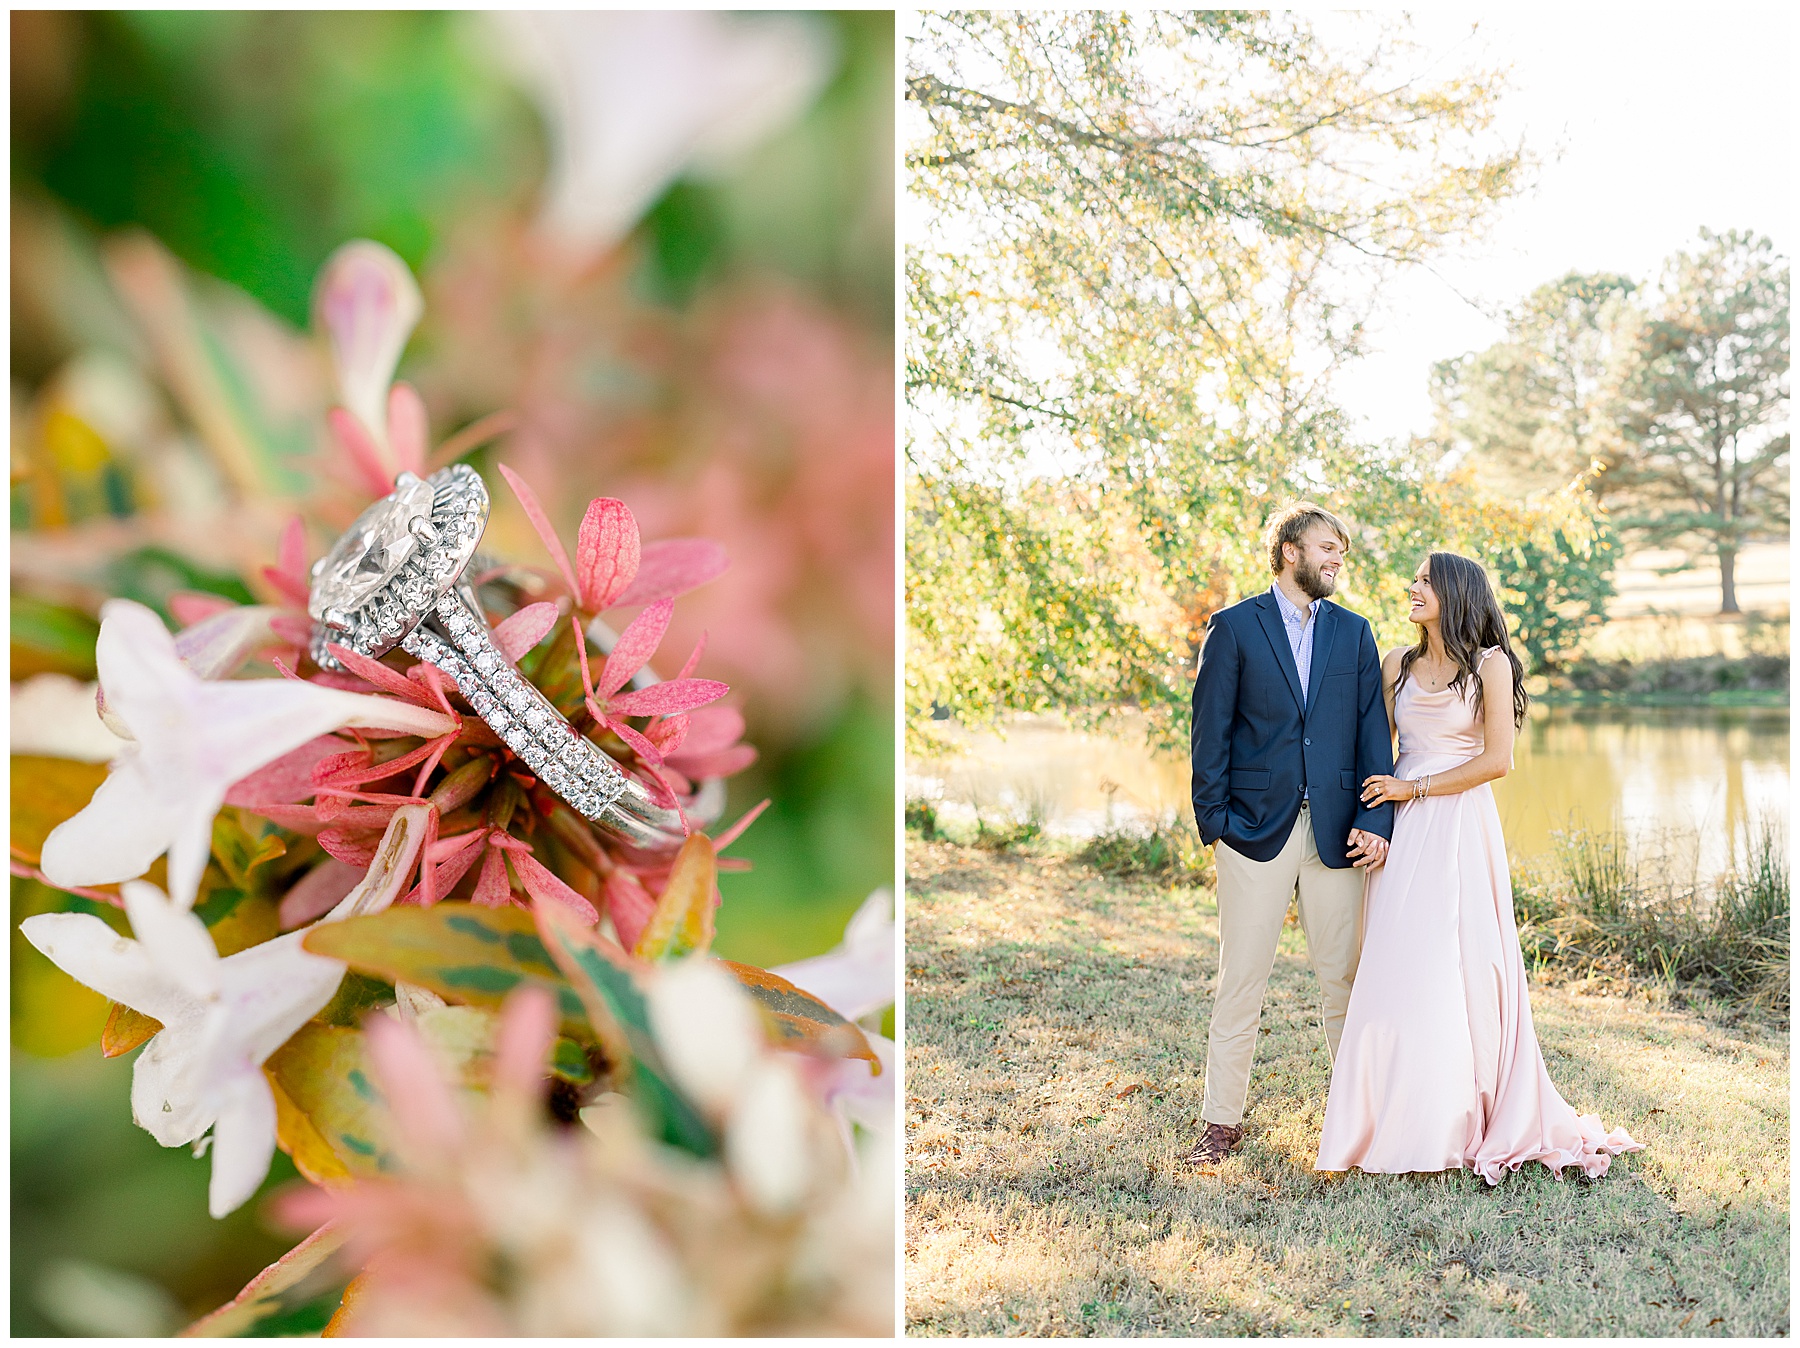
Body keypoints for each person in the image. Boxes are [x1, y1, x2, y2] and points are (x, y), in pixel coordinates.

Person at [1316, 551, 1642, 1181]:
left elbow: (1498, 761)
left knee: (1459, 964)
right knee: (1397, 963)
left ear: (1456, 592)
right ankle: (1390, 1115)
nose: (1412, 588)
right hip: (1400, 826)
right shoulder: (1396, 664)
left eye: (1424, 581)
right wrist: (1371, 816)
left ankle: (1458, 1116)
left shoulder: (1492, 665)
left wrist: (1413, 788)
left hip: (1458, 825)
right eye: (1414, 579)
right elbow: (1372, 748)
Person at [1182, 503, 1394, 1168]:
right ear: (1290, 550)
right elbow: (1209, 731)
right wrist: (1216, 823)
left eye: (1342, 551)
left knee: (1345, 980)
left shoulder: (1354, 634)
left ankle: (1359, 1123)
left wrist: (1375, 820)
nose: (1337, 560)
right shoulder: (1234, 627)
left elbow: (1372, 736)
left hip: (1337, 835)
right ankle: (1221, 1123)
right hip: (1252, 832)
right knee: (1241, 979)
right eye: (1328, 547)